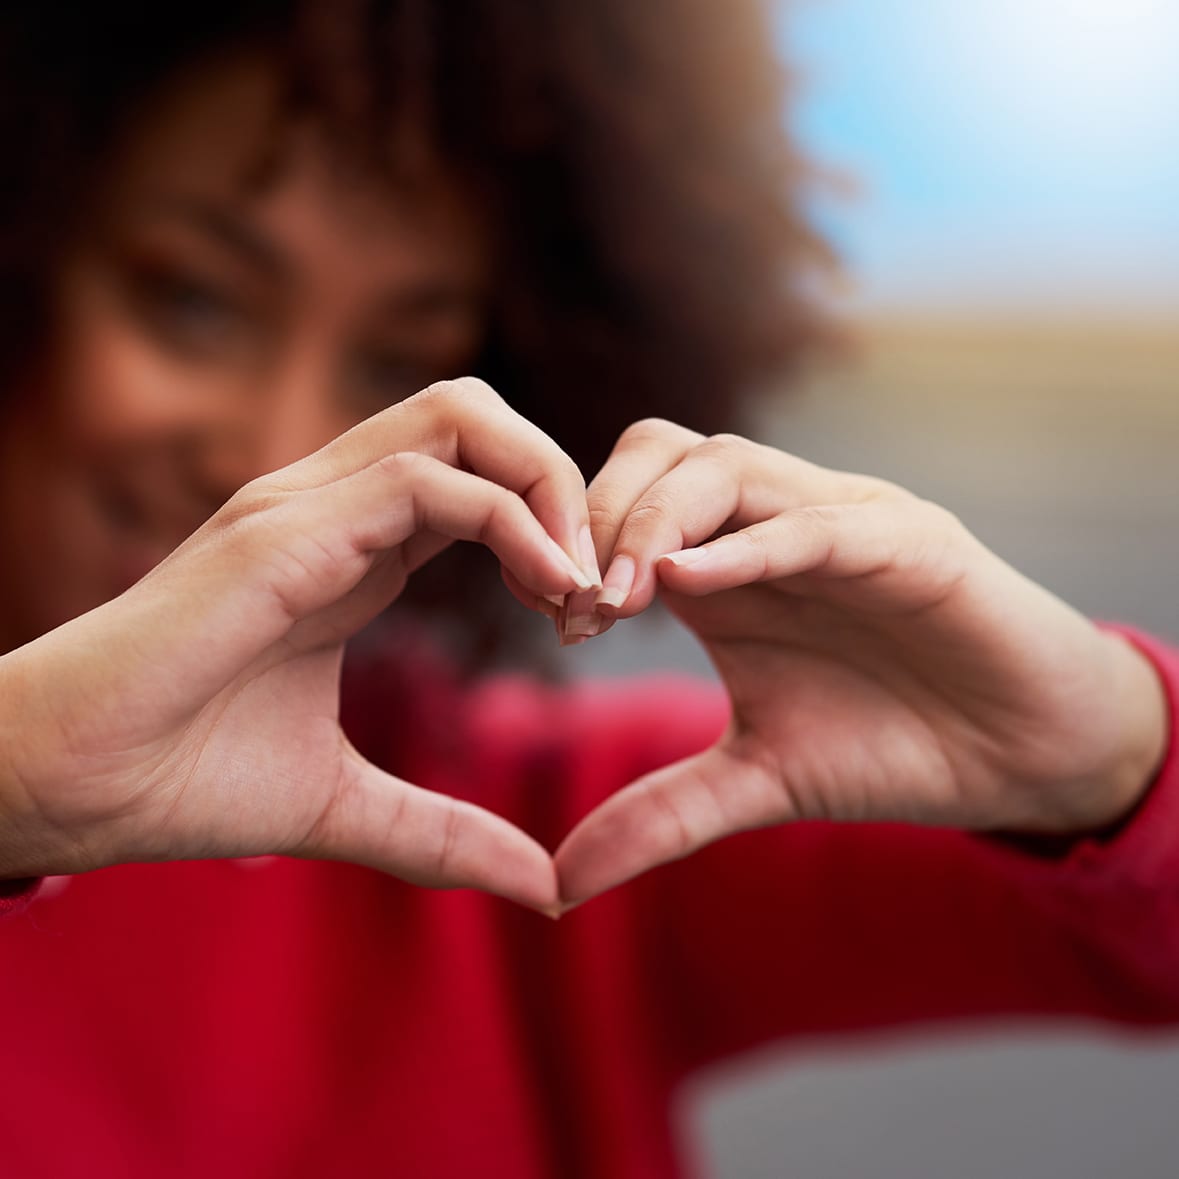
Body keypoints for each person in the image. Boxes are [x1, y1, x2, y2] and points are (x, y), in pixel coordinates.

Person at [1, 1, 1177, 1175]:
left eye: (400, 364)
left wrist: (1104, 746)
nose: (276, 447)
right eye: (192, 300)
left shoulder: (554, 837)